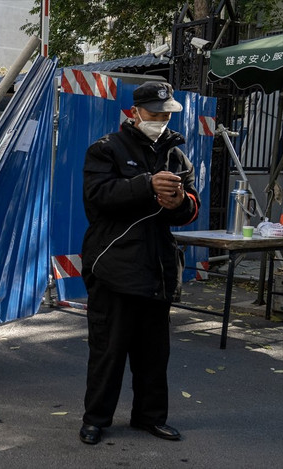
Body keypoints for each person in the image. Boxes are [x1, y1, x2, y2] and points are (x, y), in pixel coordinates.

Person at [79, 82, 201, 445]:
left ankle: (149, 417)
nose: (161, 121)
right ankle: (95, 419)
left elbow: (191, 206)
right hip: (113, 266)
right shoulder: (105, 149)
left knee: (153, 354)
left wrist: (178, 202)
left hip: (158, 267)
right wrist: (147, 184)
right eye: (154, 114)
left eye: (166, 115)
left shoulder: (177, 155)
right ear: (135, 112)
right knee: (108, 350)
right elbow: (98, 197)